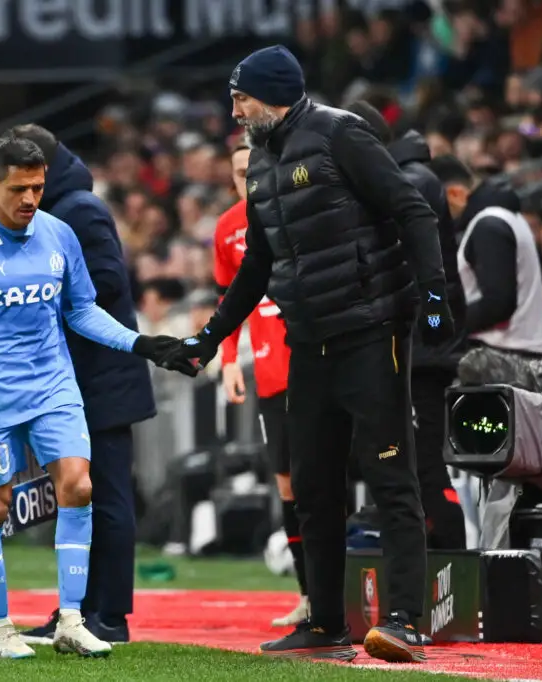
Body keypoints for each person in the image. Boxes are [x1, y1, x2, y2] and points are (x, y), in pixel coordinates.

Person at [159, 45, 454, 663]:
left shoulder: (339, 134)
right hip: (309, 341)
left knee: (391, 476)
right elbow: (256, 266)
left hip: (372, 331)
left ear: (271, 94)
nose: (234, 111)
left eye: (240, 98)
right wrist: (209, 338)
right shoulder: (262, 163)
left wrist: (433, 296)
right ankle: (324, 622)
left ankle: (406, 620)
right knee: (314, 488)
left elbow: (414, 211)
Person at [0, 138, 194, 659]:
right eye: (18, 189)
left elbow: (81, 310)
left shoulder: (59, 234)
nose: (29, 199)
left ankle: (71, 620)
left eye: (38, 187)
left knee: (80, 486)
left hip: (52, 385)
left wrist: (142, 344)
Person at [4, 124, 155, 644]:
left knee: (107, 497)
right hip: (77, 379)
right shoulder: (58, 211)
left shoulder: (80, 211)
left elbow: (108, 281)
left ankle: (110, 614)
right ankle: (77, 610)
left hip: (103, 380)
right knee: (77, 499)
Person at [346, 102, 468, 551]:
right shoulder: (407, 177)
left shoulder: (412, 181)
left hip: (421, 348)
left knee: (425, 463)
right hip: (409, 345)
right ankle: (428, 556)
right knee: (403, 460)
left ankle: (454, 561)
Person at [214, 137, 308, 626]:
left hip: (317, 362)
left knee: (333, 478)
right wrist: (229, 360)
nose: (246, 179)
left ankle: (359, 590)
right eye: (238, 173)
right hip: (272, 373)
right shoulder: (228, 229)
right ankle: (309, 594)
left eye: (253, 169)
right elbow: (229, 299)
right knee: (288, 484)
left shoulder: (301, 208)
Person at [427, 154, 542, 359]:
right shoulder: (498, 218)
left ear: (455, 193)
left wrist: (445, 323)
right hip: (512, 352)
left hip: (507, 355)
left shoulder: (489, 225)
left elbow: (498, 303)